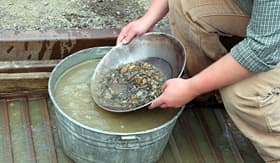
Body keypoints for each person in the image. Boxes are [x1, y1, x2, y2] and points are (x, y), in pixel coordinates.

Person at [117, 0, 280, 162]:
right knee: (185, 6)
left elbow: (262, 51)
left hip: (268, 42)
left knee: (241, 92)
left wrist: (191, 87)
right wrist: (146, 19)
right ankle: (209, 94)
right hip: (266, 20)